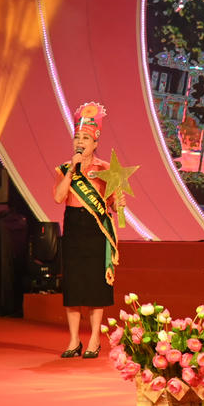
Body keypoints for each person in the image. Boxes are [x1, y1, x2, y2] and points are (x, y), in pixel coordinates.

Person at [53, 102, 122, 359]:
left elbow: (113, 203)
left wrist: (119, 201)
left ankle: (94, 339)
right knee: (72, 285)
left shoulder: (105, 169)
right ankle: (73, 340)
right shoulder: (64, 168)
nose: (80, 142)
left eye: (85, 138)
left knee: (95, 285)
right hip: (73, 225)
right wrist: (72, 170)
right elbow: (59, 197)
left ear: (95, 142)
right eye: (77, 138)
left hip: (96, 228)